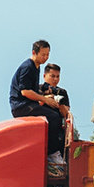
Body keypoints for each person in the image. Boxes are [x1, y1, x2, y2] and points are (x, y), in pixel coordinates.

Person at [9, 39, 66, 173]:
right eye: (43, 55)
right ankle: (51, 154)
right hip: (21, 105)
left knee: (56, 114)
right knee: (53, 118)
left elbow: (34, 90)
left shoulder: (37, 67)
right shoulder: (27, 67)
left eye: (48, 55)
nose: (45, 58)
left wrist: (46, 97)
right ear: (34, 53)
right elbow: (25, 91)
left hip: (29, 103)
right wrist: (44, 100)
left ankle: (55, 150)